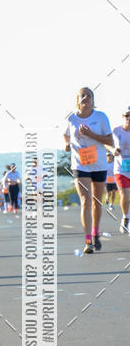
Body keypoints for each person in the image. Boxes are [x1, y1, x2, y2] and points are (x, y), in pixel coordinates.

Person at [64, 86, 113, 253]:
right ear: (78, 100)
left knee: (96, 202)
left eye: (88, 96)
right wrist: (66, 143)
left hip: (98, 164)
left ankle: (95, 233)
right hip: (80, 164)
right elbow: (66, 134)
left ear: (93, 100)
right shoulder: (71, 118)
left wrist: (91, 135)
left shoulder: (101, 117)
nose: (85, 98)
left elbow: (110, 142)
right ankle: (87, 241)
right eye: (82, 95)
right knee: (85, 200)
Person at [112, 105, 130, 234]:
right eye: (127, 115)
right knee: (124, 193)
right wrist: (114, 150)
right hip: (120, 168)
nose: (129, 118)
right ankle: (125, 218)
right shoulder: (116, 131)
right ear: (123, 117)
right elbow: (109, 145)